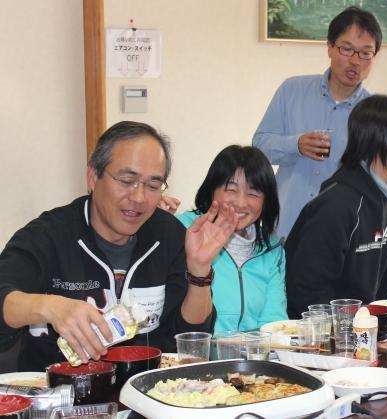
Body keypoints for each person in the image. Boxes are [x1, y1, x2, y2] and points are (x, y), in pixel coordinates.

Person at [0, 121, 236, 371]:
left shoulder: (169, 235)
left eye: (152, 186)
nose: (139, 198)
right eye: (126, 181)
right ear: (93, 177)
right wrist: (49, 307)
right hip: (61, 389)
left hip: (149, 388)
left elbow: (188, 334)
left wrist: (199, 270)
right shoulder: (48, 236)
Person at [253, 6, 387, 239]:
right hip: (286, 223)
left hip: (344, 233)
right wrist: (295, 145)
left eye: (365, 53)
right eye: (347, 49)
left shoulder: (375, 113)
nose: (355, 61)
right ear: (330, 47)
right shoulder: (292, 90)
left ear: (375, 57)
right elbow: (260, 145)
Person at [284, 95, 387, 318]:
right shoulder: (337, 204)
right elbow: (308, 290)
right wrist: (347, 330)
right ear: (385, 138)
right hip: (322, 327)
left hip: (368, 325)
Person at [176, 146, 287, 332]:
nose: (240, 203)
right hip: (195, 347)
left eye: (253, 193)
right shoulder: (182, 230)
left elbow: (273, 323)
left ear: (266, 201)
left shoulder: (273, 250)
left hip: (253, 350)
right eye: (230, 189)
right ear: (212, 189)